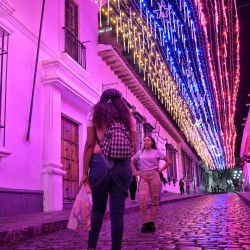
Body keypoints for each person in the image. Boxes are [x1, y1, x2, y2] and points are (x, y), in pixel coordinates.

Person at [81, 88, 136, 250]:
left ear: (102, 98)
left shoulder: (94, 114)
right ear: (120, 100)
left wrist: (84, 172)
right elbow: (133, 146)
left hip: (100, 163)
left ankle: (91, 248)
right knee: (117, 212)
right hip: (123, 165)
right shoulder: (129, 117)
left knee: (98, 209)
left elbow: (90, 144)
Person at [131, 136, 172, 233]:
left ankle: (152, 222)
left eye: (148, 140)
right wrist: (136, 173)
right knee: (142, 198)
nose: (145, 141)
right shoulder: (140, 152)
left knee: (154, 198)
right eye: (144, 140)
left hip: (154, 175)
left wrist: (161, 170)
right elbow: (131, 162)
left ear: (152, 142)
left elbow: (169, 161)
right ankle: (145, 222)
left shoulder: (156, 152)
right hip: (143, 176)